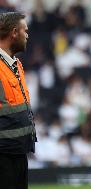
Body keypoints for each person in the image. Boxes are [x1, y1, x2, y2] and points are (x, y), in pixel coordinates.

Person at [0, 12, 37, 189]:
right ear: (14, 32)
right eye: (25, 30)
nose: (27, 35)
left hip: (19, 151)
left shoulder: (16, 64)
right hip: (3, 154)